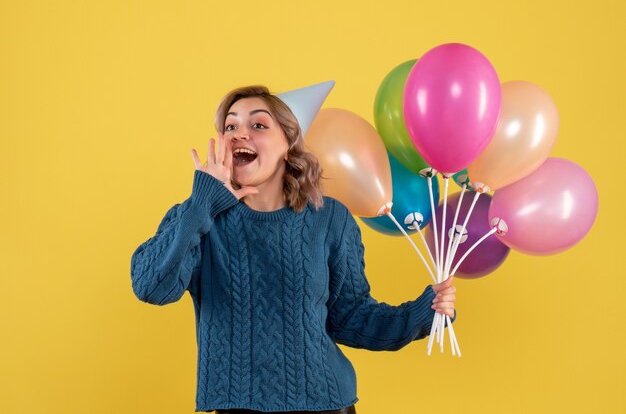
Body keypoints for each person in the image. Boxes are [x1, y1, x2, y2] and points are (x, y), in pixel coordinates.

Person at [130, 85, 457, 414]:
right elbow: (152, 288)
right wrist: (202, 203)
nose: (240, 134)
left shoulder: (330, 219)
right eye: (231, 126)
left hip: (327, 404)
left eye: (258, 125)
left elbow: (351, 318)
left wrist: (424, 312)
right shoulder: (197, 217)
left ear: (289, 144)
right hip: (236, 406)